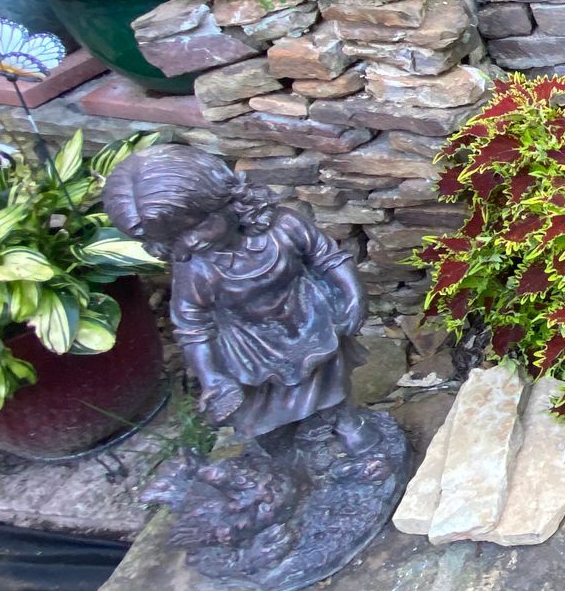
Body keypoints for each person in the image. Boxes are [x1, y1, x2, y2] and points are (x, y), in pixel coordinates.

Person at [102, 144, 375, 449]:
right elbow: (193, 326)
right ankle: (280, 443)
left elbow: (327, 258)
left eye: (198, 225)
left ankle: (345, 420)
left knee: (328, 379)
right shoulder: (196, 270)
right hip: (250, 345)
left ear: (229, 198)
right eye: (174, 239)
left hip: (308, 319)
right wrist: (211, 377)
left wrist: (353, 294)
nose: (192, 242)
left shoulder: (284, 227)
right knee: (262, 403)